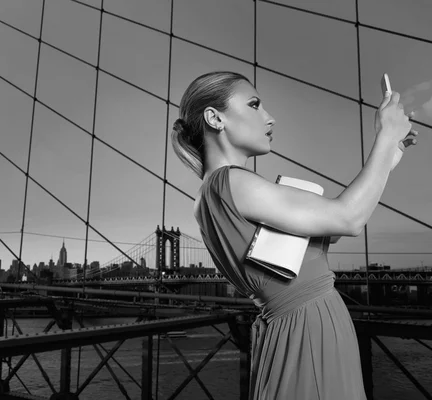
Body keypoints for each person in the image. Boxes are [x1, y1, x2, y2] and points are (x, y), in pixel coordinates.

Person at [171, 71, 417, 400]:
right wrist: (385, 137)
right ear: (215, 118)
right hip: (307, 335)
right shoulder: (232, 183)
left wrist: (389, 157)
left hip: (303, 331)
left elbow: (332, 226)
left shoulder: (215, 192)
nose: (269, 117)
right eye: (254, 105)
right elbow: (348, 219)